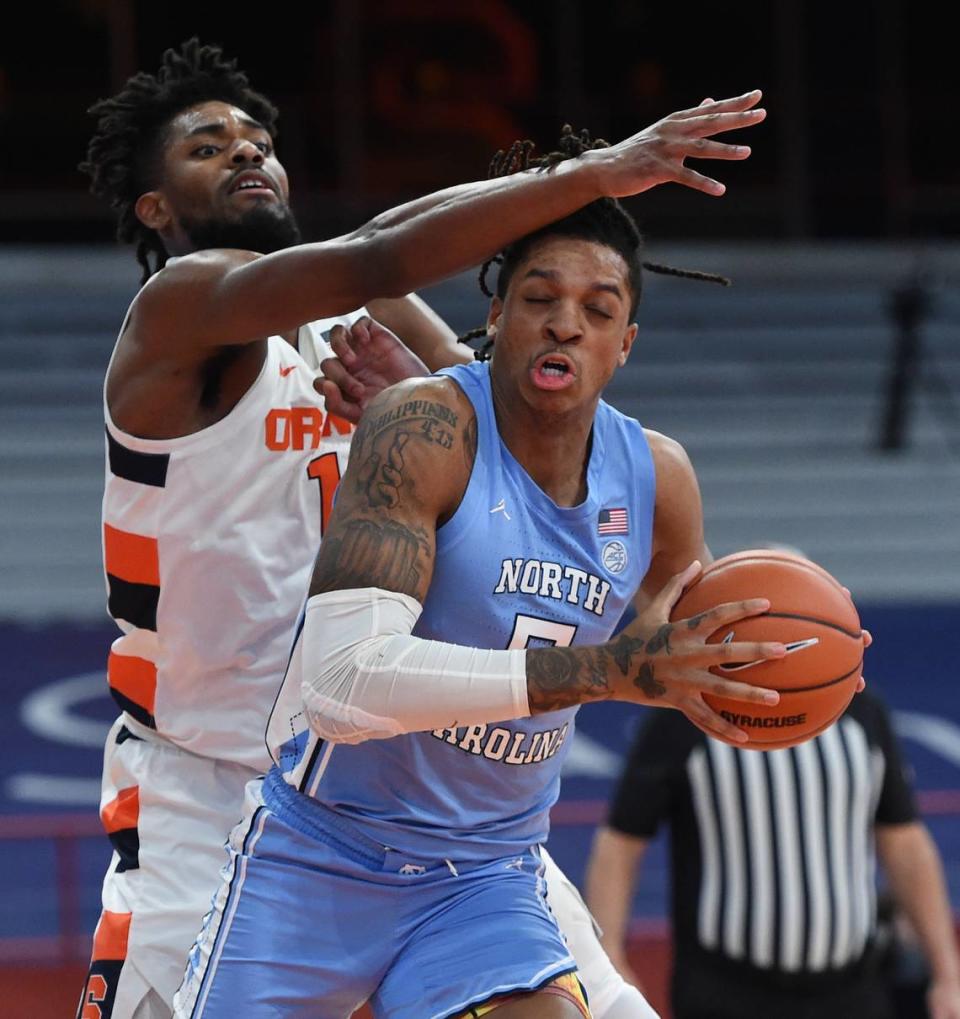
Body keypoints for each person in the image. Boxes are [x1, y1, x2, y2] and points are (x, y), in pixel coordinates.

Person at [77, 36, 769, 1019]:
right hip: (212, 777)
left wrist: (430, 402)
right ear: (155, 206)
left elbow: (510, 427)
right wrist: (596, 172)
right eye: (207, 146)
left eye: (258, 138)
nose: (245, 151)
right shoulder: (179, 311)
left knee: (609, 1005)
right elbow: (385, 246)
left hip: (405, 784)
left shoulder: (366, 303)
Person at [585, 687, 960, 1019]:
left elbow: (904, 842)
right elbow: (621, 842)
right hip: (724, 991)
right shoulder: (689, 714)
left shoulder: (863, 713)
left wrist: (947, 972)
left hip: (853, 991)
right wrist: (610, 960)